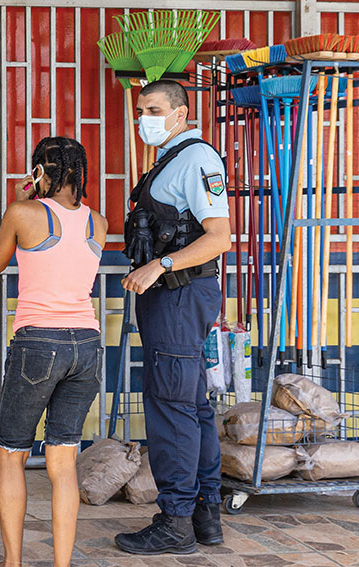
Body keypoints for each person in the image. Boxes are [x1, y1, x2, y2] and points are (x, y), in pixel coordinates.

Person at [114, 80, 231, 555]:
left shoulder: (198, 159)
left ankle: (175, 522)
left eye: (155, 109)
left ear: (181, 113)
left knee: (171, 408)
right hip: (172, 300)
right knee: (193, 407)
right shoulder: (169, 159)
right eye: (142, 109)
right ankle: (204, 517)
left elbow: (219, 237)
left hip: (180, 296)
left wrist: (158, 265)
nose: (145, 117)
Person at [0, 137, 107, 567]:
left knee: (12, 453)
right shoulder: (99, 222)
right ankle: (62, 565)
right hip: (87, 345)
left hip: (39, 342)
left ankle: (13, 563)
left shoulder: (24, 213)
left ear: (40, 171)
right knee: (63, 459)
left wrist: (16, 204)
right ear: (79, 172)